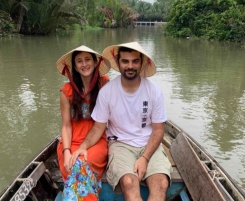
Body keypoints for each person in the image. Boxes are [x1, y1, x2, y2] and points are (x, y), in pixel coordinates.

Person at [70, 42, 172, 201]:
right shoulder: (107, 92)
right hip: (120, 144)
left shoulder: (154, 91)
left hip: (149, 143)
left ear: (141, 63)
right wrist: (83, 147)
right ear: (118, 63)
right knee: (129, 182)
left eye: (135, 61)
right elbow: (98, 128)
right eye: (125, 61)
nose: (130, 66)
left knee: (161, 183)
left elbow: (159, 130)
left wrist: (144, 158)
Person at [55, 45, 111, 200]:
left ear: (95, 62)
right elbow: (66, 126)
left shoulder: (105, 85)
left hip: (96, 140)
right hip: (70, 141)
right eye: (79, 61)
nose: (84, 64)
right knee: (73, 166)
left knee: (81, 167)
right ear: (74, 66)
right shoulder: (66, 91)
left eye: (87, 59)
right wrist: (66, 151)